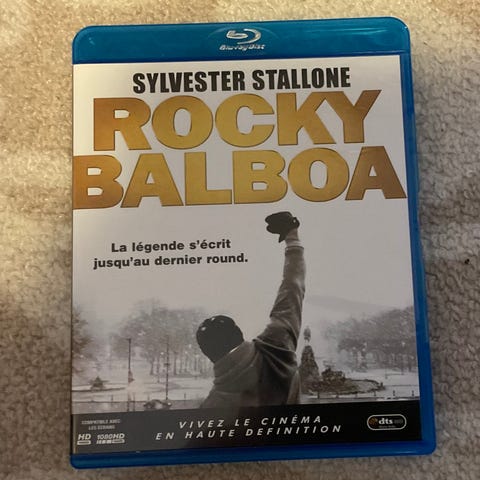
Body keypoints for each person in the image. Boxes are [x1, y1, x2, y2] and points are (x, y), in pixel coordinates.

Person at [196, 212, 305, 407]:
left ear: (208, 354)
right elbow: (292, 286)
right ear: (238, 334)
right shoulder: (276, 347)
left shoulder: (213, 405)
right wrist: (292, 236)